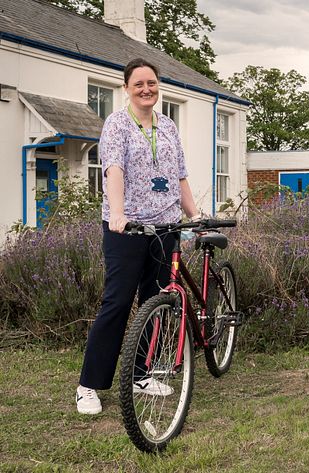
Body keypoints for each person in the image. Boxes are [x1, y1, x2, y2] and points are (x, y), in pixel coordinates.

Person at [76, 58, 200, 414]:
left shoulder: (168, 126)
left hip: (166, 226)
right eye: (139, 84)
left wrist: (194, 216)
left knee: (155, 300)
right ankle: (89, 385)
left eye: (152, 83)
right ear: (126, 88)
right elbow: (113, 170)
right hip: (127, 228)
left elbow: (180, 177)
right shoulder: (116, 125)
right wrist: (117, 213)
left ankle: (141, 374)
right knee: (116, 302)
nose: (147, 89)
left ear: (158, 85)